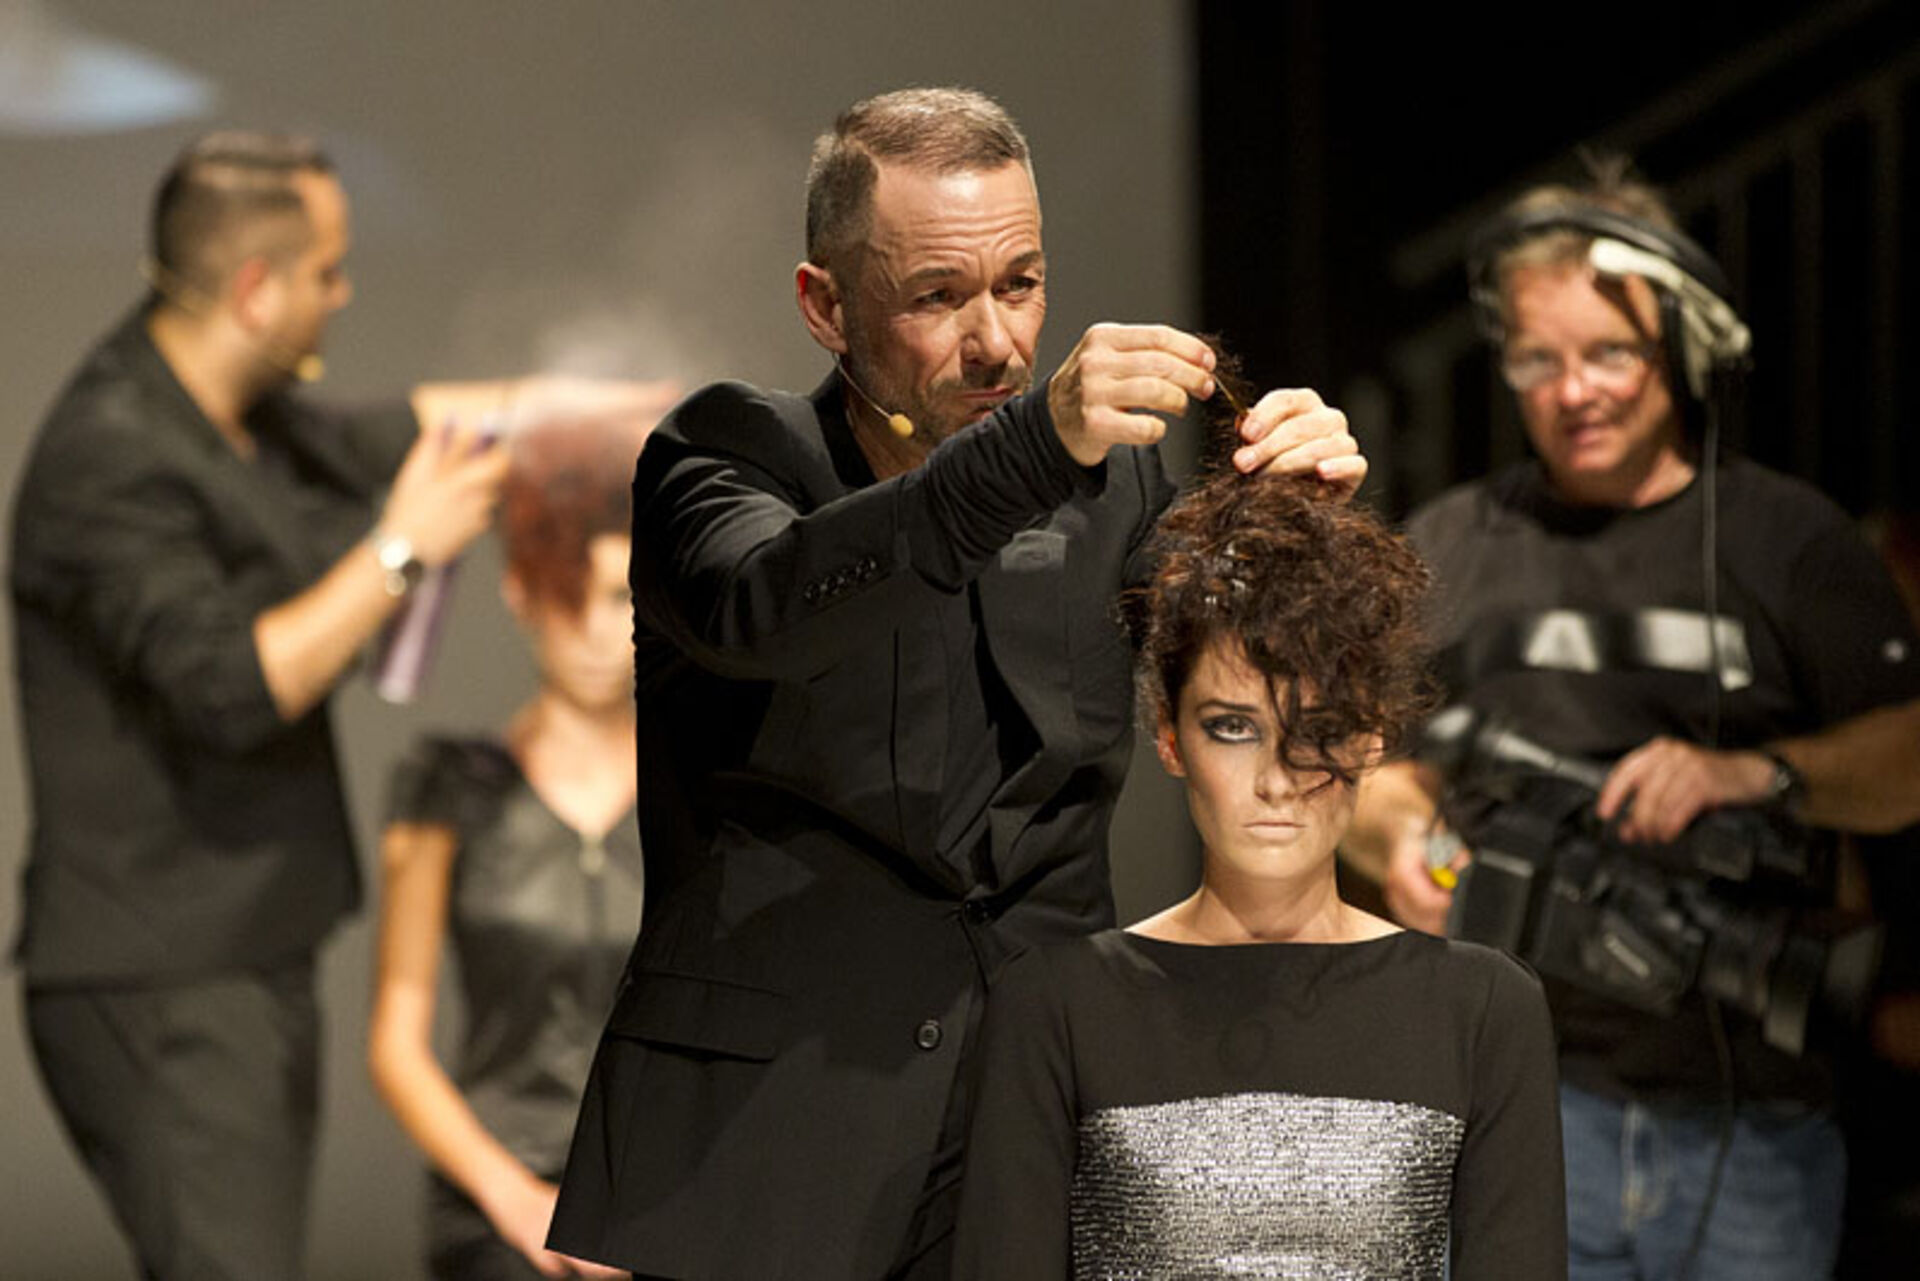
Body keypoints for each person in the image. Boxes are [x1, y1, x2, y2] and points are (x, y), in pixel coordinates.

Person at [546, 86, 1365, 1280]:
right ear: (825, 305)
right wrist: (1030, 448)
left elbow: (1245, 699)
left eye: (1021, 285)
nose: (998, 344)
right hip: (769, 1150)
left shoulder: (1114, 493)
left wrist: (1300, 524)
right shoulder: (724, 456)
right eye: (937, 296)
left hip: (1032, 1125)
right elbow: (761, 606)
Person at [7, 130, 595, 1280]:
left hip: (240, 961)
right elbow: (235, 688)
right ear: (255, 290)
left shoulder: (243, 413)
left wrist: (604, 406)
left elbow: (417, 429)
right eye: (328, 271)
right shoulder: (107, 459)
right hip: (165, 987)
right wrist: (401, 549)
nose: (343, 293)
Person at [1343, 165, 1920, 1280]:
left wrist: (1759, 774)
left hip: (1752, 1126)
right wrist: (1404, 840)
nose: (1574, 392)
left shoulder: (1790, 542)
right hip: (1520, 1107)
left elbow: (1907, 758)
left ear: (1683, 348)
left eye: (1610, 353)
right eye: (1538, 360)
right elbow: (1364, 772)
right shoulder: (1454, 541)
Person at [951, 472, 1566, 1279]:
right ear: (1170, 737)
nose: (1277, 779)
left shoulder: (1483, 1008)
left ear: (1374, 738)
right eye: (1233, 727)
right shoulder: (1056, 1004)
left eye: (1319, 729)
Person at [370, 411, 674, 1281]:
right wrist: (516, 1200)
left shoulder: (700, 792)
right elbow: (396, 1042)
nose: (594, 630)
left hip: (667, 1195)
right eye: (567, 595)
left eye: (617, 597)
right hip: (498, 1205)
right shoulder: (449, 788)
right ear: (520, 592)